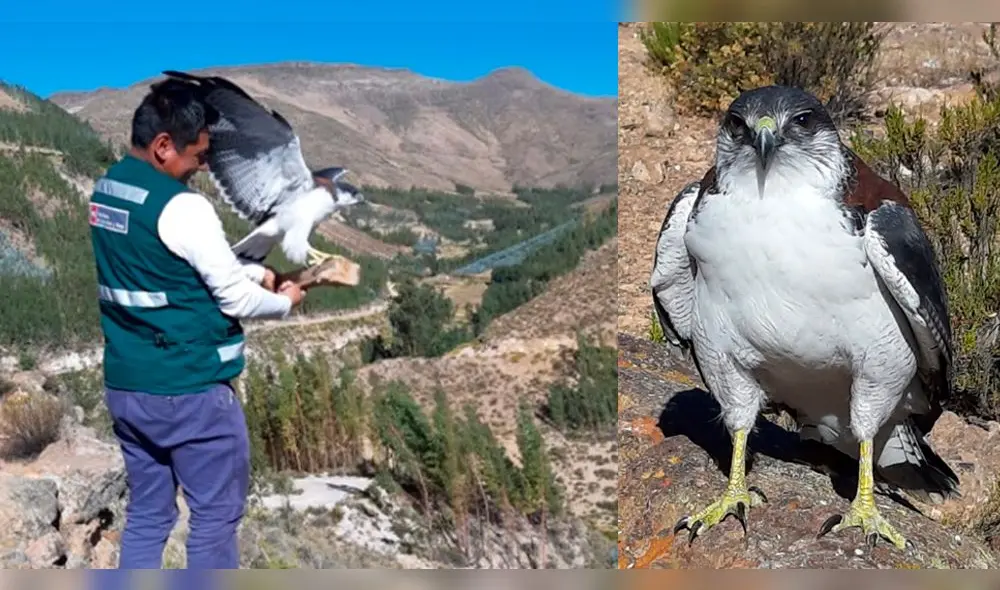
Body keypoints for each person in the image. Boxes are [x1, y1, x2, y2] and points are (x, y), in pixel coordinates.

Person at [87, 76, 304, 569]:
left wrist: (250, 270)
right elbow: (232, 299)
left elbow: (165, 266)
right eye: (199, 155)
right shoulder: (184, 206)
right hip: (190, 394)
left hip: (128, 387)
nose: (204, 165)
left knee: (147, 514)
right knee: (214, 518)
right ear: (164, 146)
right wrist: (286, 300)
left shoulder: (109, 190)